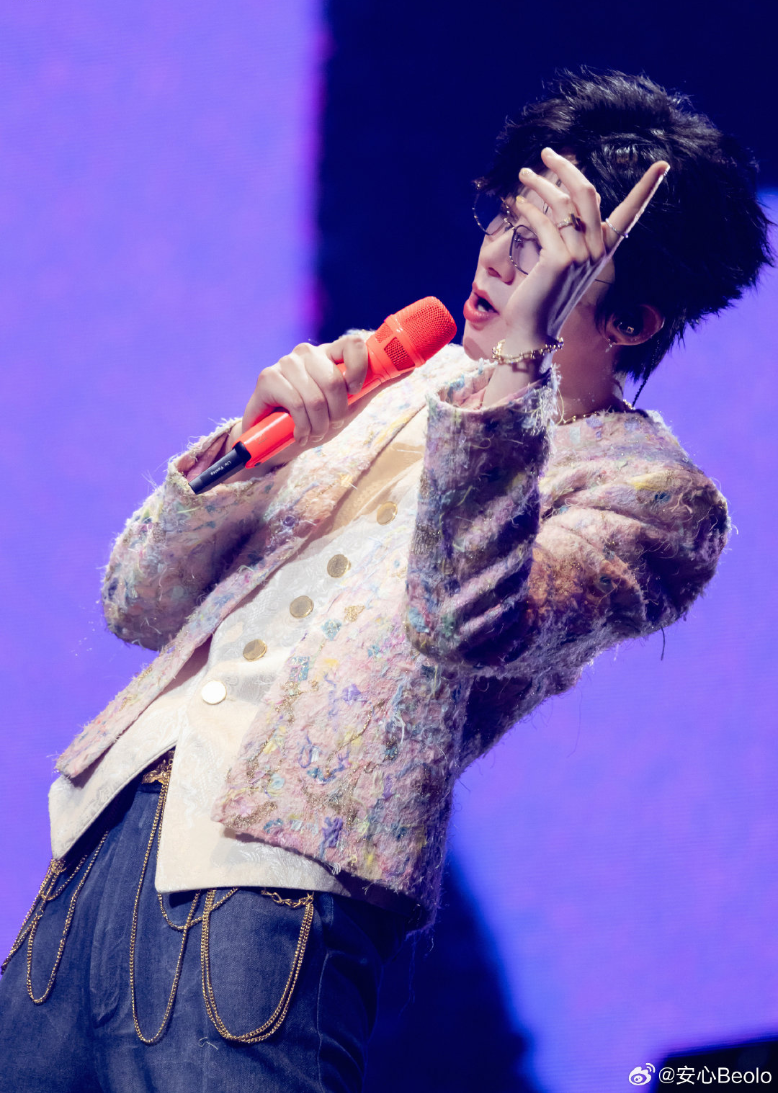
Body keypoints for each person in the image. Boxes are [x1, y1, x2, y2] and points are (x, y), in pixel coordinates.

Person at [0, 70, 771, 1092]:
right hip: (96, 852)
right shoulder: (392, 379)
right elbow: (134, 602)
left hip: (272, 891)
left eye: (544, 248)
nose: (497, 260)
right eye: (505, 223)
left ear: (632, 319)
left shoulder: (653, 495)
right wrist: (250, 455)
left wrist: (518, 361)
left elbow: (462, 619)